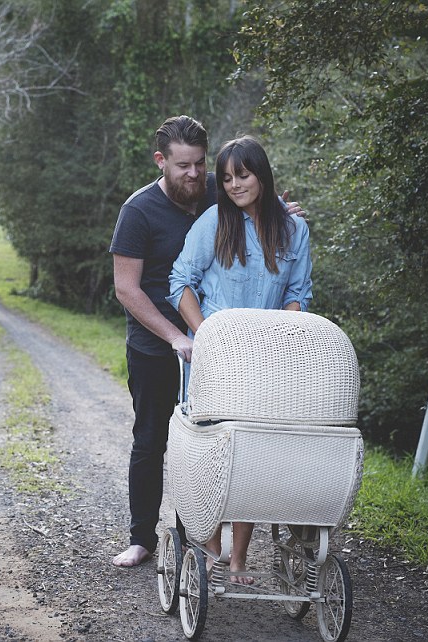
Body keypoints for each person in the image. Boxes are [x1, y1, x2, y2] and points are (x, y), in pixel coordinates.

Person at [108, 117, 304, 568]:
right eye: (183, 166)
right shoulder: (138, 212)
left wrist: (285, 217)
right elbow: (127, 289)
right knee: (153, 438)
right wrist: (178, 336)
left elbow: (260, 204)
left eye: (199, 164)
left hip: (225, 349)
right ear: (161, 161)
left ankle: (193, 539)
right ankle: (141, 538)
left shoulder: (219, 186)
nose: (195, 175)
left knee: (212, 443)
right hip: (158, 342)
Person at [167, 134, 313, 582]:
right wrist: (204, 334)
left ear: (262, 176)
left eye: (243, 175)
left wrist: (282, 339)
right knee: (213, 455)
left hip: (266, 362)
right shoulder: (213, 223)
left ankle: (238, 560)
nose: (234, 185)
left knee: (252, 458)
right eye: (226, 178)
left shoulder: (293, 231)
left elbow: (297, 294)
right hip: (215, 360)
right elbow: (179, 281)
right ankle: (211, 550)